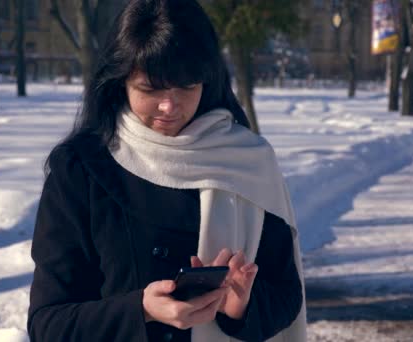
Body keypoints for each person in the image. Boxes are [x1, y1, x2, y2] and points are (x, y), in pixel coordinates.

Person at [27, 0, 306, 341]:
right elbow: (48, 324)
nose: (169, 106)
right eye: (150, 88)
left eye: (187, 87)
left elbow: (286, 296)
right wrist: (140, 309)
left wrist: (241, 306)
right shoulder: (82, 169)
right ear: (120, 81)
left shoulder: (249, 162)